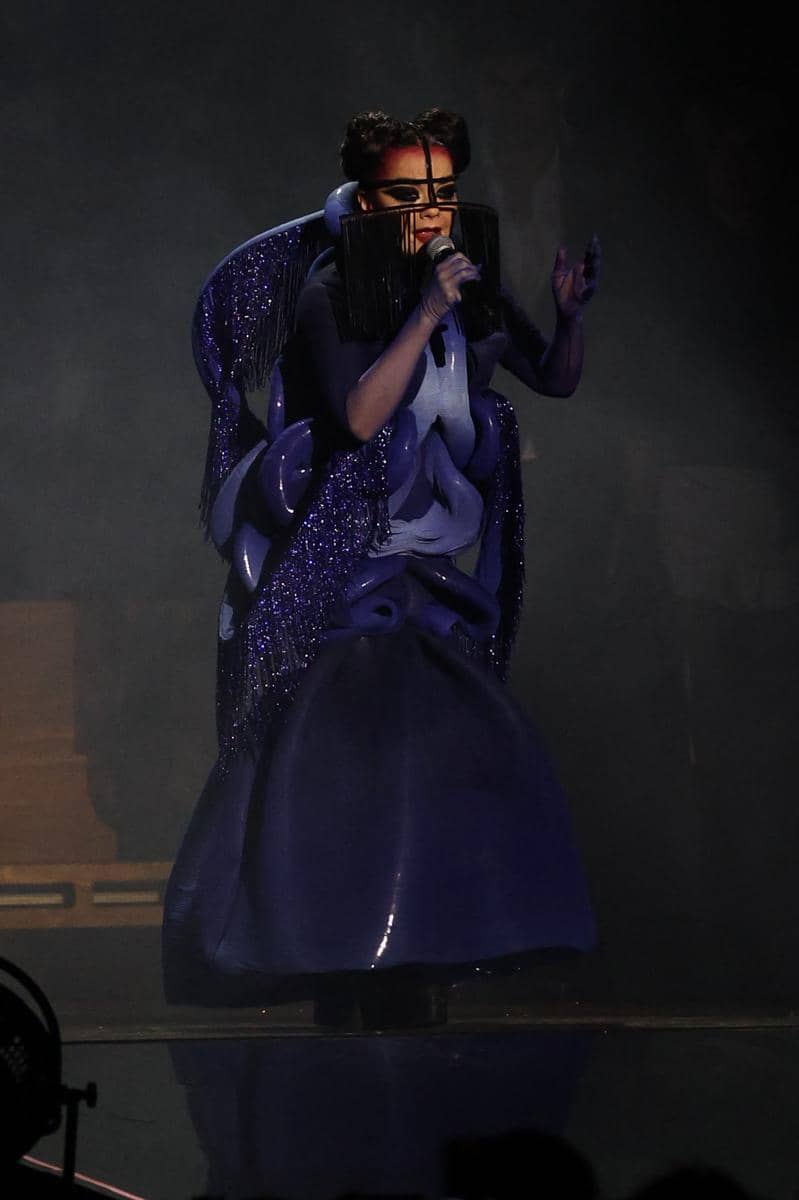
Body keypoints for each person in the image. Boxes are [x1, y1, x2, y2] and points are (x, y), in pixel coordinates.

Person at [162, 108, 600, 1029]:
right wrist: (428, 311)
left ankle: (426, 967)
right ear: (366, 198)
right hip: (343, 567)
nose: (431, 213)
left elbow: (550, 379)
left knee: (459, 762)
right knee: (345, 774)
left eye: (442, 194)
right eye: (408, 196)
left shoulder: (465, 282)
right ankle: (340, 970)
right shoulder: (334, 290)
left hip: (432, 575)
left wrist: (566, 317)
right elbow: (359, 418)